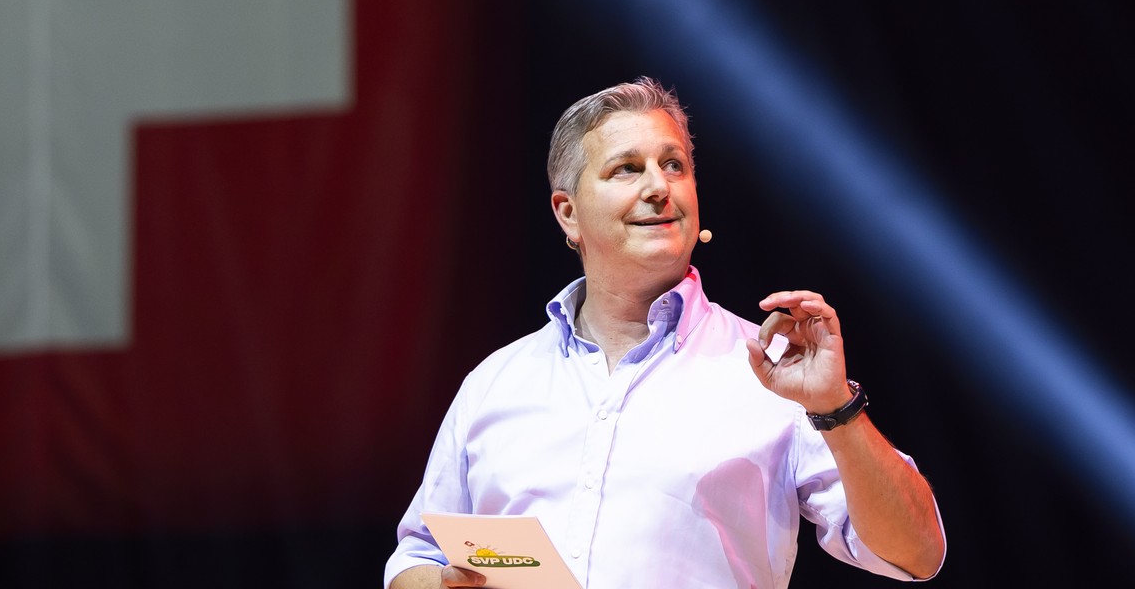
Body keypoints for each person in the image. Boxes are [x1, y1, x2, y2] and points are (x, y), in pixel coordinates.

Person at [385, 78, 945, 589]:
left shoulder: (769, 372)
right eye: (627, 168)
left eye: (674, 165)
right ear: (568, 213)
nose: (659, 186)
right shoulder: (497, 382)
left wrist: (836, 410)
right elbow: (417, 554)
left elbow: (917, 554)